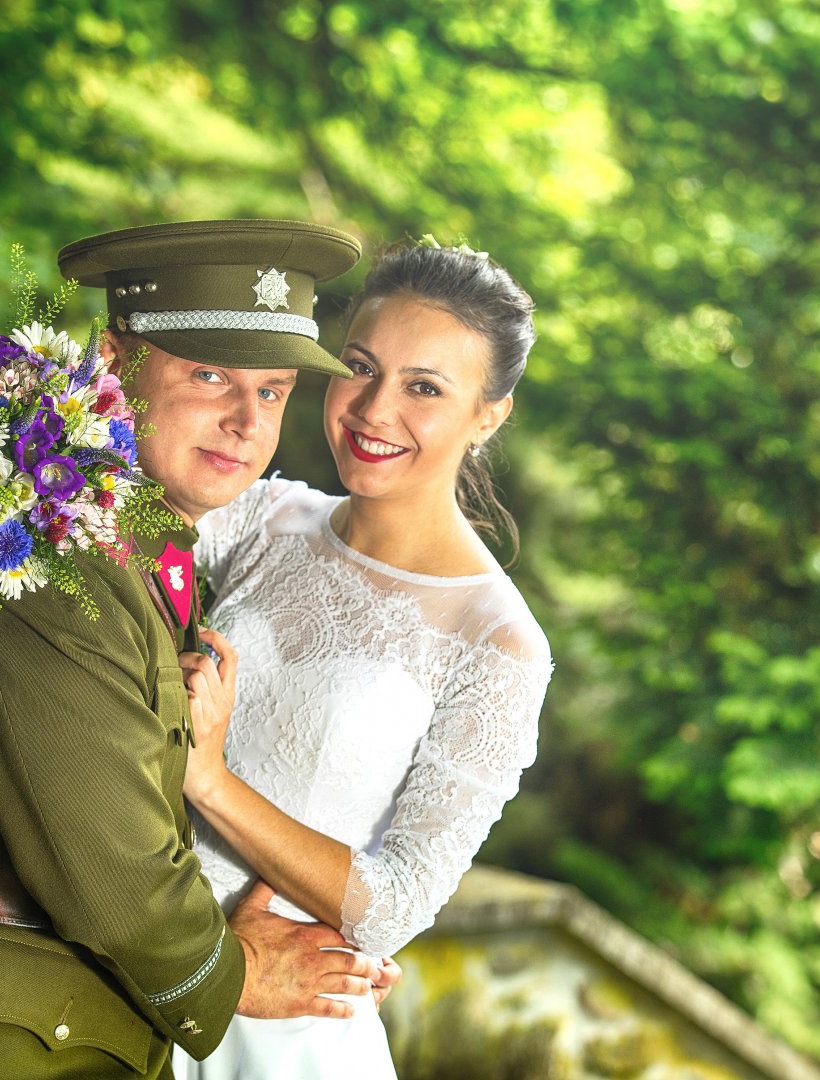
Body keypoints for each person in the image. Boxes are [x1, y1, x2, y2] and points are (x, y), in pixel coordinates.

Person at [0, 219, 398, 1080]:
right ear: (112, 362)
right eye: (209, 375)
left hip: (58, 1015)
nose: (245, 422)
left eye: (272, 391)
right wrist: (237, 974)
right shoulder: (47, 555)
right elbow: (114, 870)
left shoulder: (140, 545)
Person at [172, 241, 554, 1078]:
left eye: (425, 387)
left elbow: (397, 907)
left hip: (288, 1029)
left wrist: (210, 782)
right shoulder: (264, 516)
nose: (375, 409)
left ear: (489, 415)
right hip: (147, 964)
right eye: (359, 367)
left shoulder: (498, 641)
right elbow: (103, 535)